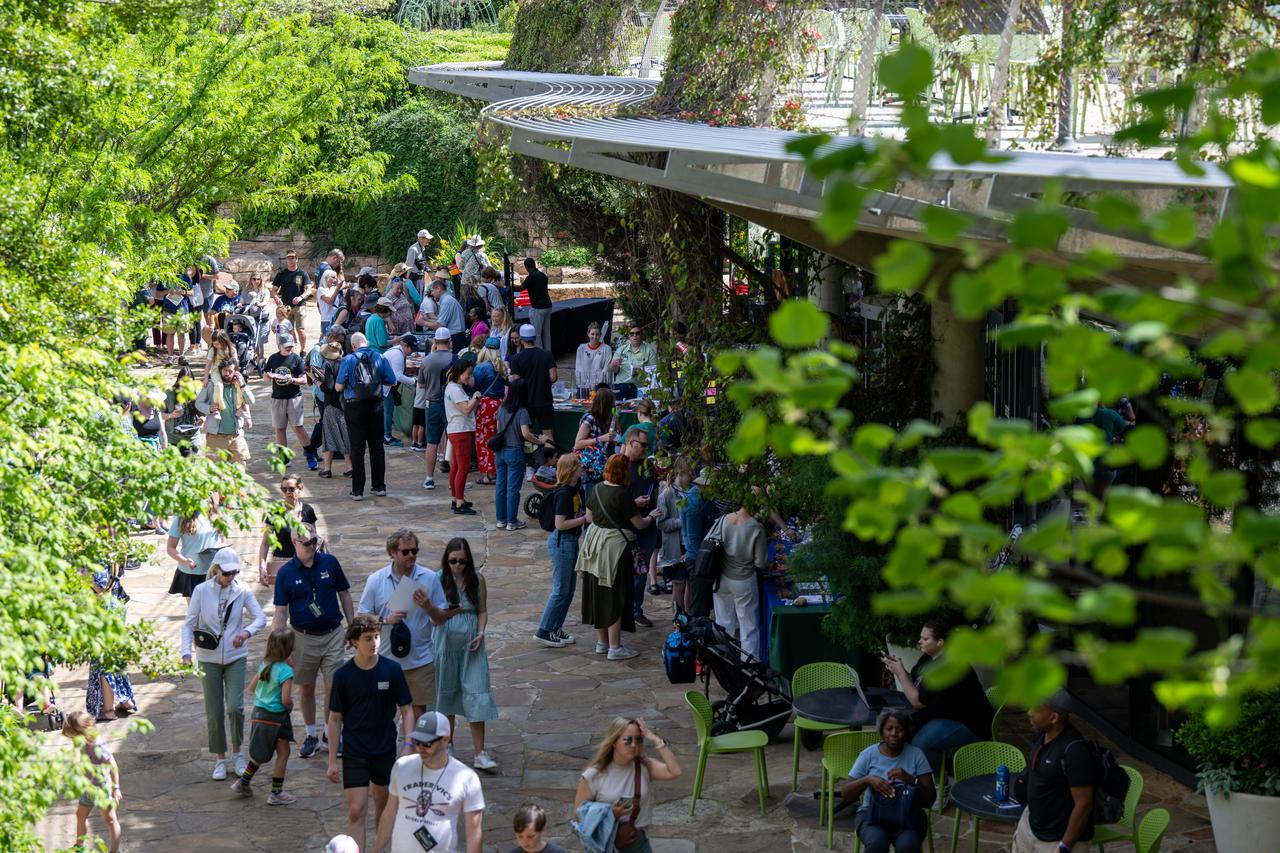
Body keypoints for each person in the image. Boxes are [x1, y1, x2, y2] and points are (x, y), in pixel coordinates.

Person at [326, 617, 415, 853]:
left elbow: (407, 709)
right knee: (356, 810)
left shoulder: (392, 670)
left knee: (383, 806)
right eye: (367, 638)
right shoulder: (343, 675)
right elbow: (334, 719)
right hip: (354, 751)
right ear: (354, 641)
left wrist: (408, 744)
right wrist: (332, 760)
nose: (374, 642)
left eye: (376, 637)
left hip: (384, 749)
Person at [180, 547, 265, 780]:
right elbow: (189, 623)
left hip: (236, 656)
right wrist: (186, 652)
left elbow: (260, 618)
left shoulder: (242, 590)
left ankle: (238, 754)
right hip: (208, 657)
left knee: (235, 708)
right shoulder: (201, 591)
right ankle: (220, 758)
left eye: (234, 572)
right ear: (216, 569)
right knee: (214, 710)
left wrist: (246, 633)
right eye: (227, 573)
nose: (231, 577)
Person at [272, 523, 355, 760]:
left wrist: (352, 627)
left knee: (333, 686)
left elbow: (344, 594)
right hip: (302, 637)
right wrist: (281, 646)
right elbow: (280, 611)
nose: (312, 546)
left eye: (314, 541)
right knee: (306, 687)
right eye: (307, 542)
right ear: (294, 543)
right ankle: (311, 735)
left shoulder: (330, 563)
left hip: (333, 634)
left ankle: (330, 732)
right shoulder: (286, 573)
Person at [357, 529, 452, 722]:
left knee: (418, 715)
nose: (411, 556)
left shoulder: (429, 577)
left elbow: (442, 618)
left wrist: (429, 607)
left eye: (415, 551)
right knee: (383, 715)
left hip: (420, 660)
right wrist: (386, 620)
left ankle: (413, 743)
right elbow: (362, 616)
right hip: (385, 660)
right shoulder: (376, 580)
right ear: (392, 552)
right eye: (406, 551)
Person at [880, 620, 994, 777]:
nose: (920, 641)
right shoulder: (929, 658)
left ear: (940, 642)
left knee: (921, 743)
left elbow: (918, 702)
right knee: (903, 728)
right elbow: (916, 683)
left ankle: (938, 781)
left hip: (970, 723)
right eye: (921, 637)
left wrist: (900, 674)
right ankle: (909, 773)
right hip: (944, 714)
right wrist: (899, 669)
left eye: (925, 639)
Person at [578, 454, 662, 660]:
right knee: (616, 596)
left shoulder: (597, 488)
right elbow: (639, 524)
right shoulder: (623, 494)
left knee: (598, 593)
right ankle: (615, 648)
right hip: (615, 549)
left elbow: (590, 517)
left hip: (594, 546)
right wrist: (651, 516)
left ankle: (602, 643)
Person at [375, 712, 485, 853]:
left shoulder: (466, 778)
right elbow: (389, 814)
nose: (420, 749)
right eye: (417, 742)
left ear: (445, 740)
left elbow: (474, 832)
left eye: (427, 744)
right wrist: (377, 850)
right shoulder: (402, 766)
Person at [433, 537, 499, 771]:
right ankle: (448, 745)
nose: (458, 566)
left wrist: (481, 632)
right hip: (445, 644)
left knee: (476, 692)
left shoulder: (477, 580)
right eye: (453, 561)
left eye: (462, 561)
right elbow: (432, 614)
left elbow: (482, 611)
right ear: (446, 560)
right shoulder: (438, 579)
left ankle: (480, 752)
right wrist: (447, 613)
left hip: (472, 645)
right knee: (446, 693)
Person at [574, 717, 682, 853]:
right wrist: (610, 813)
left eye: (638, 739)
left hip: (636, 842)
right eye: (627, 740)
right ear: (614, 741)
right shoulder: (594, 774)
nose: (633, 745)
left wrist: (655, 739)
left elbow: (675, 772)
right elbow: (578, 814)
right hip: (604, 844)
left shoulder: (644, 766)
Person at [839, 708, 936, 853]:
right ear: (881, 731)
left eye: (900, 729)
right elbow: (846, 794)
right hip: (872, 815)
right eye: (889, 729)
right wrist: (868, 780)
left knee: (907, 846)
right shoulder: (868, 754)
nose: (894, 734)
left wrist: (910, 779)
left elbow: (929, 800)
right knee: (876, 843)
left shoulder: (916, 755)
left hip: (908, 816)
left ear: (907, 732)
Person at [1014, 692, 1095, 853]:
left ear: (1053, 718)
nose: (1030, 712)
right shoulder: (1042, 735)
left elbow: (1084, 804)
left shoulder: (1074, 750)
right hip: (1030, 828)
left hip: (1056, 839)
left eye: (1036, 709)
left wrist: (1065, 846)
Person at [231, 626, 298, 804]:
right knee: (282, 753)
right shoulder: (286, 671)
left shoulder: (265, 665)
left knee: (261, 752)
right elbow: (285, 699)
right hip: (277, 718)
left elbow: (251, 688)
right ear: (290, 648)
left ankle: (243, 782)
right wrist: (290, 706)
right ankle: (276, 793)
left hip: (259, 713)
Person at [335, 331, 398, 500]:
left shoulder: (348, 359)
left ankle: (358, 490)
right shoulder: (380, 357)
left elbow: (338, 387)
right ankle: (379, 486)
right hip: (376, 405)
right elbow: (392, 380)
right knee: (377, 447)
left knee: (357, 448)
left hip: (354, 406)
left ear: (353, 346)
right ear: (367, 343)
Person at [536, 454, 587, 647]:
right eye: (578, 464)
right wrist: (584, 519)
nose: (582, 466)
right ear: (571, 470)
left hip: (570, 541)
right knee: (560, 590)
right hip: (562, 542)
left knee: (569, 589)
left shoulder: (575, 489)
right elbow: (560, 524)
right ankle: (544, 630)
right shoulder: (565, 493)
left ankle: (555, 627)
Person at [711, 500, 769, 660]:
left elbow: (710, 545)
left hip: (720, 578)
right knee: (748, 627)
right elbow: (761, 563)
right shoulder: (756, 527)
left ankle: (724, 661)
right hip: (744, 580)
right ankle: (749, 666)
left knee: (723, 623)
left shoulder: (722, 520)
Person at [493, 379, 551, 531]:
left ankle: (501, 520)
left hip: (500, 452)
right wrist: (539, 440)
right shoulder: (522, 412)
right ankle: (512, 521)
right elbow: (526, 433)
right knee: (513, 488)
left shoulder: (501, 408)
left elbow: (498, 429)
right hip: (514, 452)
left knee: (500, 487)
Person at [62, 711, 123, 853]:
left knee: (110, 820)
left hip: (101, 789)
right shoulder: (84, 741)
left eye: (74, 736)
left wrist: (116, 788)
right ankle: (79, 846)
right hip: (88, 787)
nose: (73, 740)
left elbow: (113, 765)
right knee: (80, 816)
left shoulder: (98, 745)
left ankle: (114, 851)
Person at [86, 568, 138, 721]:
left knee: (103, 661)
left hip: (102, 611)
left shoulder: (91, 562)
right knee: (115, 656)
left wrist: (84, 579)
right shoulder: (111, 556)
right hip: (115, 606)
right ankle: (125, 700)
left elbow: (101, 587)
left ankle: (108, 710)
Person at [621, 427, 659, 628]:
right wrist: (633, 503)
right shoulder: (619, 466)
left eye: (647, 445)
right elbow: (612, 497)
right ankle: (622, 611)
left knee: (641, 572)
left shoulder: (648, 465)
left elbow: (655, 486)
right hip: (627, 527)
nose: (646, 448)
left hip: (648, 525)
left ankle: (635, 610)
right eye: (643, 445)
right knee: (624, 573)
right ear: (630, 443)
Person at [265, 335, 318, 470]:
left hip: (294, 398)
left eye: (291, 346)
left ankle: (310, 454)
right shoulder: (273, 358)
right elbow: (266, 376)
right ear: (279, 345)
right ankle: (284, 457)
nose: (289, 348)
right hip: (277, 398)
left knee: (298, 428)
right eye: (286, 346)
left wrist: (293, 380)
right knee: (280, 429)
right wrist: (268, 376)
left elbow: (304, 380)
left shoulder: (297, 359)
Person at [256, 474, 318, 586]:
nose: (288, 492)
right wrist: (262, 567)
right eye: (284, 489)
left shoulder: (308, 511)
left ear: (300, 488)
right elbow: (265, 543)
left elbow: (314, 538)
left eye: (291, 489)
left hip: (305, 561)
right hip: (281, 561)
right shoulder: (275, 512)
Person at [418, 327, 457, 490]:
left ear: (435, 341)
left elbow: (421, 385)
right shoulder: (455, 359)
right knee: (453, 440)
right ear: (449, 341)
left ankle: (429, 478)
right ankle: (454, 480)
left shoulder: (427, 360)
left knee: (432, 442)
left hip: (432, 402)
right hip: (450, 404)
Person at [196, 360, 254, 467]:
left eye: (230, 371)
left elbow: (251, 401)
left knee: (241, 464)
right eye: (225, 370)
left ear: (235, 372)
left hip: (236, 435)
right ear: (220, 371)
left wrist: (242, 384)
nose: (227, 373)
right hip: (216, 437)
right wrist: (209, 408)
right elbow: (198, 403)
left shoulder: (238, 385)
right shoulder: (211, 385)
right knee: (215, 470)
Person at [656, 457, 693, 614]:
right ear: (679, 473)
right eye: (689, 473)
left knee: (691, 584)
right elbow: (661, 523)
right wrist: (682, 521)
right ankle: (678, 620)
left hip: (691, 544)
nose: (692, 476)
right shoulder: (666, 494)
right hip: (676, 546)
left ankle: (688, 617)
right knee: (679, 584)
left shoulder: (692, 491)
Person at [508, 323, 558, 443]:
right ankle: (551, 454)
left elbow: (516, 381)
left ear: (521, 338)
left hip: (526, 402)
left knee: (527, 435)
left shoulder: (516, 358)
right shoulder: (547, 354)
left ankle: (531, 455)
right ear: (534, 337)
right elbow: (553, 377)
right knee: (548, 435)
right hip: (544, 400)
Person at [443, 360, 480, 516]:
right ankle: (459, 502)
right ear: (460, 373)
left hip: (456, 430)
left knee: (456, 467)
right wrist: (476, 397)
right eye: (468, 374)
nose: (469, 377)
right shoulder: (455, 390)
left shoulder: (453, 387)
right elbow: (466, 409)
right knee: (463, 468)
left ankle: (456, 498)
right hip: (461, 431)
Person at [166, 509, 226, 599]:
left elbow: (223, 540)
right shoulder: (181, 517)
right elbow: (170, 548)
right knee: (196, 607)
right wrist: (185, 561)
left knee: (214, 606)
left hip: (214, 571)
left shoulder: (215, 514)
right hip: (193, 573)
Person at [472, 338, 509, 485]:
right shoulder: (501, 366)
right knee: (497, 438)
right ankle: (497, 471)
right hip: (500, 405)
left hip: (486, 406)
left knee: (484, 439)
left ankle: (487, 474)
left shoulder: (481, 368)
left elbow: (474, 386)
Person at [317, 340, 353, 478]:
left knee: (328, 437)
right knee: (346, 435)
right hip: (346, 404)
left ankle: (327, 469)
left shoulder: (329, 364)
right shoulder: (346, 362)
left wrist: (316, 380)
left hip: (332, 405)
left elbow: (329, 388)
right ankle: (349, 468)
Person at [573, 387, 619, 495]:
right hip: (591, 465)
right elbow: (577, 444)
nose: (613, 406)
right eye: (612, 404)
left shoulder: (608, 418)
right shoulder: (590, 418)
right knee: (592, 494)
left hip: (604, 464)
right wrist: (600, 439)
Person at [271, 250, 313, 353]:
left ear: (297, 259)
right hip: (285, 307)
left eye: (292, 257)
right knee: (286, 331)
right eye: (288, 258)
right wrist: (277, 298)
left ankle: (302, 351)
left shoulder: (302, 273)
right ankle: (288, 352)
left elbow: (309, 289)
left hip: (300, 306)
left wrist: (301, 297)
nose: (290, 260)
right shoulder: (281, 274)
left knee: (300, 330)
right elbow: (274, 290)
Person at [383, 333, 418, 448]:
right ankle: (387, 438)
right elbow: (397, 376)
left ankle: (386, 436)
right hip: (385, 386)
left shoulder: (397, 350)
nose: (412, 352)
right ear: (406, 346)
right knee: (388, 412)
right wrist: (413, 381)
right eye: (412, 348)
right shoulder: (397, 355)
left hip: (385, 384)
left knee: (387, 412)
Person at [610, 328, 658, 399]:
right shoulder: (621, 350)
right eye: (632, 334)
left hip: (639, 389)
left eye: (637, 333)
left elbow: (654, 372)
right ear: (629, 336)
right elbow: (614, 370)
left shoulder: (649, 351)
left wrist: (641, 372)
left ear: (641, 336)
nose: (634, 335)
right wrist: (614, 365)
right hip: (621, 386)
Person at [518, 257, 552, 351]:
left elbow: (521, 288)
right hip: (548, 306)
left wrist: (509, 286)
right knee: (546, 333)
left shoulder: (531, 277)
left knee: (537, 333)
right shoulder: (543, 275)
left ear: (526, 267)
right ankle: (548, 352)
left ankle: (539, 354)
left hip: (538, 308)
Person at [426, 276, 467, 353]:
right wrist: (427, 320)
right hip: (456, 337)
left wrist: (424, 323)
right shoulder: (447, 299)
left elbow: (440, 324)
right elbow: (441, 320)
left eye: (432, 291)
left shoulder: (447, 301)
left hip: (456, 338)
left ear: (438, 289)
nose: (431, 293)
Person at [574, 322, 613, 394]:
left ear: (600, 335)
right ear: (588, 334)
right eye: (592, 334)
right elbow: (579, 369)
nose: (595, 337)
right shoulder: (581, 349)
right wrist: (588, 385)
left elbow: (606, 369)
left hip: (601, 387)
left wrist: (596, 384)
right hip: (584, 386)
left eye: (597, 334)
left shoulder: (607, 349)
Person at [317, 268, 343, 338]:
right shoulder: (321, 289)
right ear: (326, 277)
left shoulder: (334, 289)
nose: (335, 280)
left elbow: (343, 284)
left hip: (336, 319)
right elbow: (330, 301)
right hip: (327, 320)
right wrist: (337, 290)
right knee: (326, 339)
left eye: (336, 278)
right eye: (333, 277)